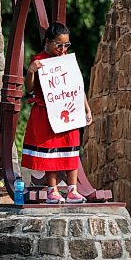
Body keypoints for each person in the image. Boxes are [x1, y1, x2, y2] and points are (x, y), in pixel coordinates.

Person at [21, 22, 92, 203]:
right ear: (48, 41)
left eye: (66, 45)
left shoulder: (67, 60)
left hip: (67, 109)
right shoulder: (39, 60)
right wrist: (30, 72)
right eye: (58, 45)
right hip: (47, 112)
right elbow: (29, 88)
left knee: (71, 148)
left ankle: (72, 189)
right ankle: (52, 190)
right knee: (50, 151)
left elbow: (77, 86)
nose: (62, 49)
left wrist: (86, 108)